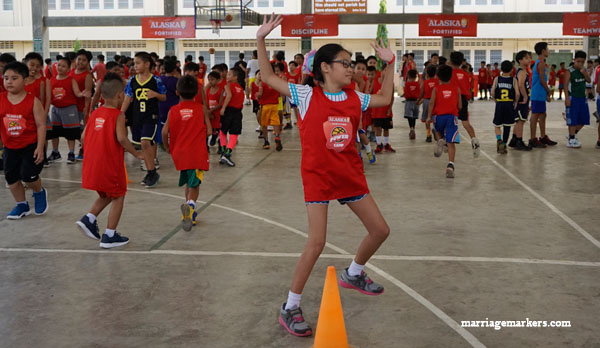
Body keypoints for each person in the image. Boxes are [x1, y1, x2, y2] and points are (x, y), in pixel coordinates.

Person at [257, 15, 393, 337]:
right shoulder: (304, 96)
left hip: (349, 176)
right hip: (318, 178)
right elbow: (265, 75)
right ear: (325, 68)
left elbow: (386, 99)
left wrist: (391, 64)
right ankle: (290, 306)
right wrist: (261, 39)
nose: (351, 67)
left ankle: (354, 272)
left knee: (380, 230)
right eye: (343, 63)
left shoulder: (355, 98)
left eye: (351, 63)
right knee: (316, 243)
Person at [76, 72, 142, 248]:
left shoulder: (96, 113)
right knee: (119, 196)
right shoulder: (118, 116)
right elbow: (121, 138)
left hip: (93, 164)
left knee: (107, 194)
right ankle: (109, 236)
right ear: (120, 95)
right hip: (110, 165)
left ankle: (88, 218)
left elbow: (83, 137)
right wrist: (136, 154)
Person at [161, 75, 212, 231]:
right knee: (195, 185)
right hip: (196, 153)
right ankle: (190, 206)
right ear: (197, 92)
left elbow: (164, 132)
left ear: (177, 92)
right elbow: (209, 131)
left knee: (188, 183)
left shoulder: (173, 110)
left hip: (180, 154)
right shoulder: (201, 109)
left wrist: (167, 147)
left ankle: (189, 214)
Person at [1, 61, 48, 219]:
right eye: (6, 78)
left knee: (29, 176)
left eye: (14, 78)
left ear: (25, 80)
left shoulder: (33, 101)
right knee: (11, 178)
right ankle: (22, 205)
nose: (9, 81)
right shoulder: (1, 99)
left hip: (31, 146)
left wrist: (40, 147)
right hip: (10, 147)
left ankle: (39, 191)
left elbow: (41, 125)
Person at [120, 52, 167, 187]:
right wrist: (121, 114)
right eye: (134, 63)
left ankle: (151, 171)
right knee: (146, 145)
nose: (135, 66)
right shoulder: (132, 81)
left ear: (147, 64)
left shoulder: (156, 80)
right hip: (138, 117)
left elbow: (164, 97)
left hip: (151, 117)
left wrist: (155, 94)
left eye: (138, 63)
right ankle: (151, 172)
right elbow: (127, 98)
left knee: (145, 142)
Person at [45, 55, 91, 164]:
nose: (60, 68)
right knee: (54, 132)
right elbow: (49, 95)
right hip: (55, 109)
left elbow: (77, 93)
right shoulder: (51, 80)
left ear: (69, 69)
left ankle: (71, 153)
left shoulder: (71, 80)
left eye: (63, 66)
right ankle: (55, 152)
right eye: (59, 65)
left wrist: (82, 94)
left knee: (71, 132)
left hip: (69, 109)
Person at [427, 64, 462, 178]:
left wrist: (428, 117)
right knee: (451, 142)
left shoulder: (436, 89)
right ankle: (450, 165)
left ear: (438, 77)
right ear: (451, 76)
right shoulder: (456, 89)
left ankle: (440, 139)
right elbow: (460, 106)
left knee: (437, 130)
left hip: (439, 117)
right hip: (452, 117)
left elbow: (431, 103)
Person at [449, 51, 480, 156]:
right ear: (462, 62)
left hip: (453, 99)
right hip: (463, 99)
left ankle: (447, 141)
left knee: (450, 121)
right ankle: (474, 139)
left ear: (451, 60)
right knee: (465, 122)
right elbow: (468, 88)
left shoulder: (450, 73)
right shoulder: (465, 74)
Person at [530, 42, 557, 148]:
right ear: (543, 51)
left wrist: (545, 93)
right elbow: (542, 80)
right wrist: (548, 91)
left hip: (540, 93)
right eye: (547, 49)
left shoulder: (542, 63)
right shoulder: (540, 63)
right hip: (537, 93)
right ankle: (532, 139)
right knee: (535, 115)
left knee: (542, 115)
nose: (548, 50)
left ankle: (542, 137)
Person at [491, 60, 520, 154]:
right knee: (507, 126)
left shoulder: (497, 79)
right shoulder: (513, 80)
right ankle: (504, 143)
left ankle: (499, 139)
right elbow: (517, 94)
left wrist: (496, 101)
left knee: (497, 125)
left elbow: (492, 93)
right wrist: (515, 102)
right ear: (512, 70)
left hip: (500, 104)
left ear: (501, 69)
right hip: (509, 104)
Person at [563, 51, 591, 148]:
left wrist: (585, 73)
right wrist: (567, 98)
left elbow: (589, 81)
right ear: (574, 60)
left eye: (582, 62)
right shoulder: (569, 71)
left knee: (584, 119)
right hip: (572, 97)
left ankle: (572, 135)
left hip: (582, 98)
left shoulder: (584, 70)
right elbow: (565, 86)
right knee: (573, 120)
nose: (580, 64)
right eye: (578, 61)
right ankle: (571, 140)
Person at [70, 49, 94, 161]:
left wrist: (86, 107)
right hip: (71, 106)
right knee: (74, 130)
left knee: (85, 129)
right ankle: (85, 147)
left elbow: (88, 93)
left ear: (88, 62)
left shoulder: (87, 75)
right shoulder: (71, 72)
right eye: (79, 59)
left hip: (82, 106)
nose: (80, 62)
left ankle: (85, 149)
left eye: (84, 60)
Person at [219, 67, 245, 166]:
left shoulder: (228, 86)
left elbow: (228, 96)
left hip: (228, 110)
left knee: (223, 131)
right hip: (237, 112)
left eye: (229, 74)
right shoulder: (240, 88)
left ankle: (223, 152)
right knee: (234, 133)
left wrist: (223, 108)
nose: (227, 76)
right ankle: (227, 153)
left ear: (235, 77)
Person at [509, 50, 533, 151]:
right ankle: (519, 141)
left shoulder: (522, 71)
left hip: (519, 99)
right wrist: (525, 96)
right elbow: (520, 85)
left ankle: (514, 139)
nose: (529, 60)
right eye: (526, 58)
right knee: (521, 121)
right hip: (521, 100)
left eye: (529, 58)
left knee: (518, 120)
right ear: (520, 60)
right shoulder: (522, 72)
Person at [205, 71, 225, 153]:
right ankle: (206, 146)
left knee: (220, 129)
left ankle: (221, 146)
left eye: (212, 79)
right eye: (209, 79)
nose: (210, 81)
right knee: (207, 129)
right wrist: (208, 112)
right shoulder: (208, 90)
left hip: (217, 113)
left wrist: (212, 111)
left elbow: (220, 103)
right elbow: (206, 101)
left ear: (218, 80)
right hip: (209, 113)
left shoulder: (221, 90)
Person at [418, 64, 438, 143]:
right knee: (435, 119)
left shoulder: (425, 82)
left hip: (426, 102)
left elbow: (421, 93)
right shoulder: (438, 82)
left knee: (427, 119)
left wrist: (418, 101)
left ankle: (428, 135)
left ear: (427, 74)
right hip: (436, 101)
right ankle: (436, 131)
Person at [404, 69, 421, 140]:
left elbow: (406, 93)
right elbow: (419, 92)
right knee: (414, 116)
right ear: (415, 76)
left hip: (408, 101)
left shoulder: (407, 84)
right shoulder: (417, 84)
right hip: (416, 102)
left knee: (409, 116)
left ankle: (411, 128)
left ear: (408, 76)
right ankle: (413, 128)